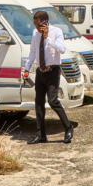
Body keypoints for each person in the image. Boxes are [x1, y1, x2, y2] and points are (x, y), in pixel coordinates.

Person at [24, 10, 76, 144]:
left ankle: (68, 128)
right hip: (40, 72)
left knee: (53, 101)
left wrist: (47, 37)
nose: (36, 28)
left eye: (38, 25)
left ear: (45, 23)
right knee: (39, 103)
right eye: (35, 25)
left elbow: (62, 49)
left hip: (53, 71)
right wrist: (26, 69)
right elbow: (33, 51)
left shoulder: (56, 31)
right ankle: (41, 135)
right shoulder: (35, 33)